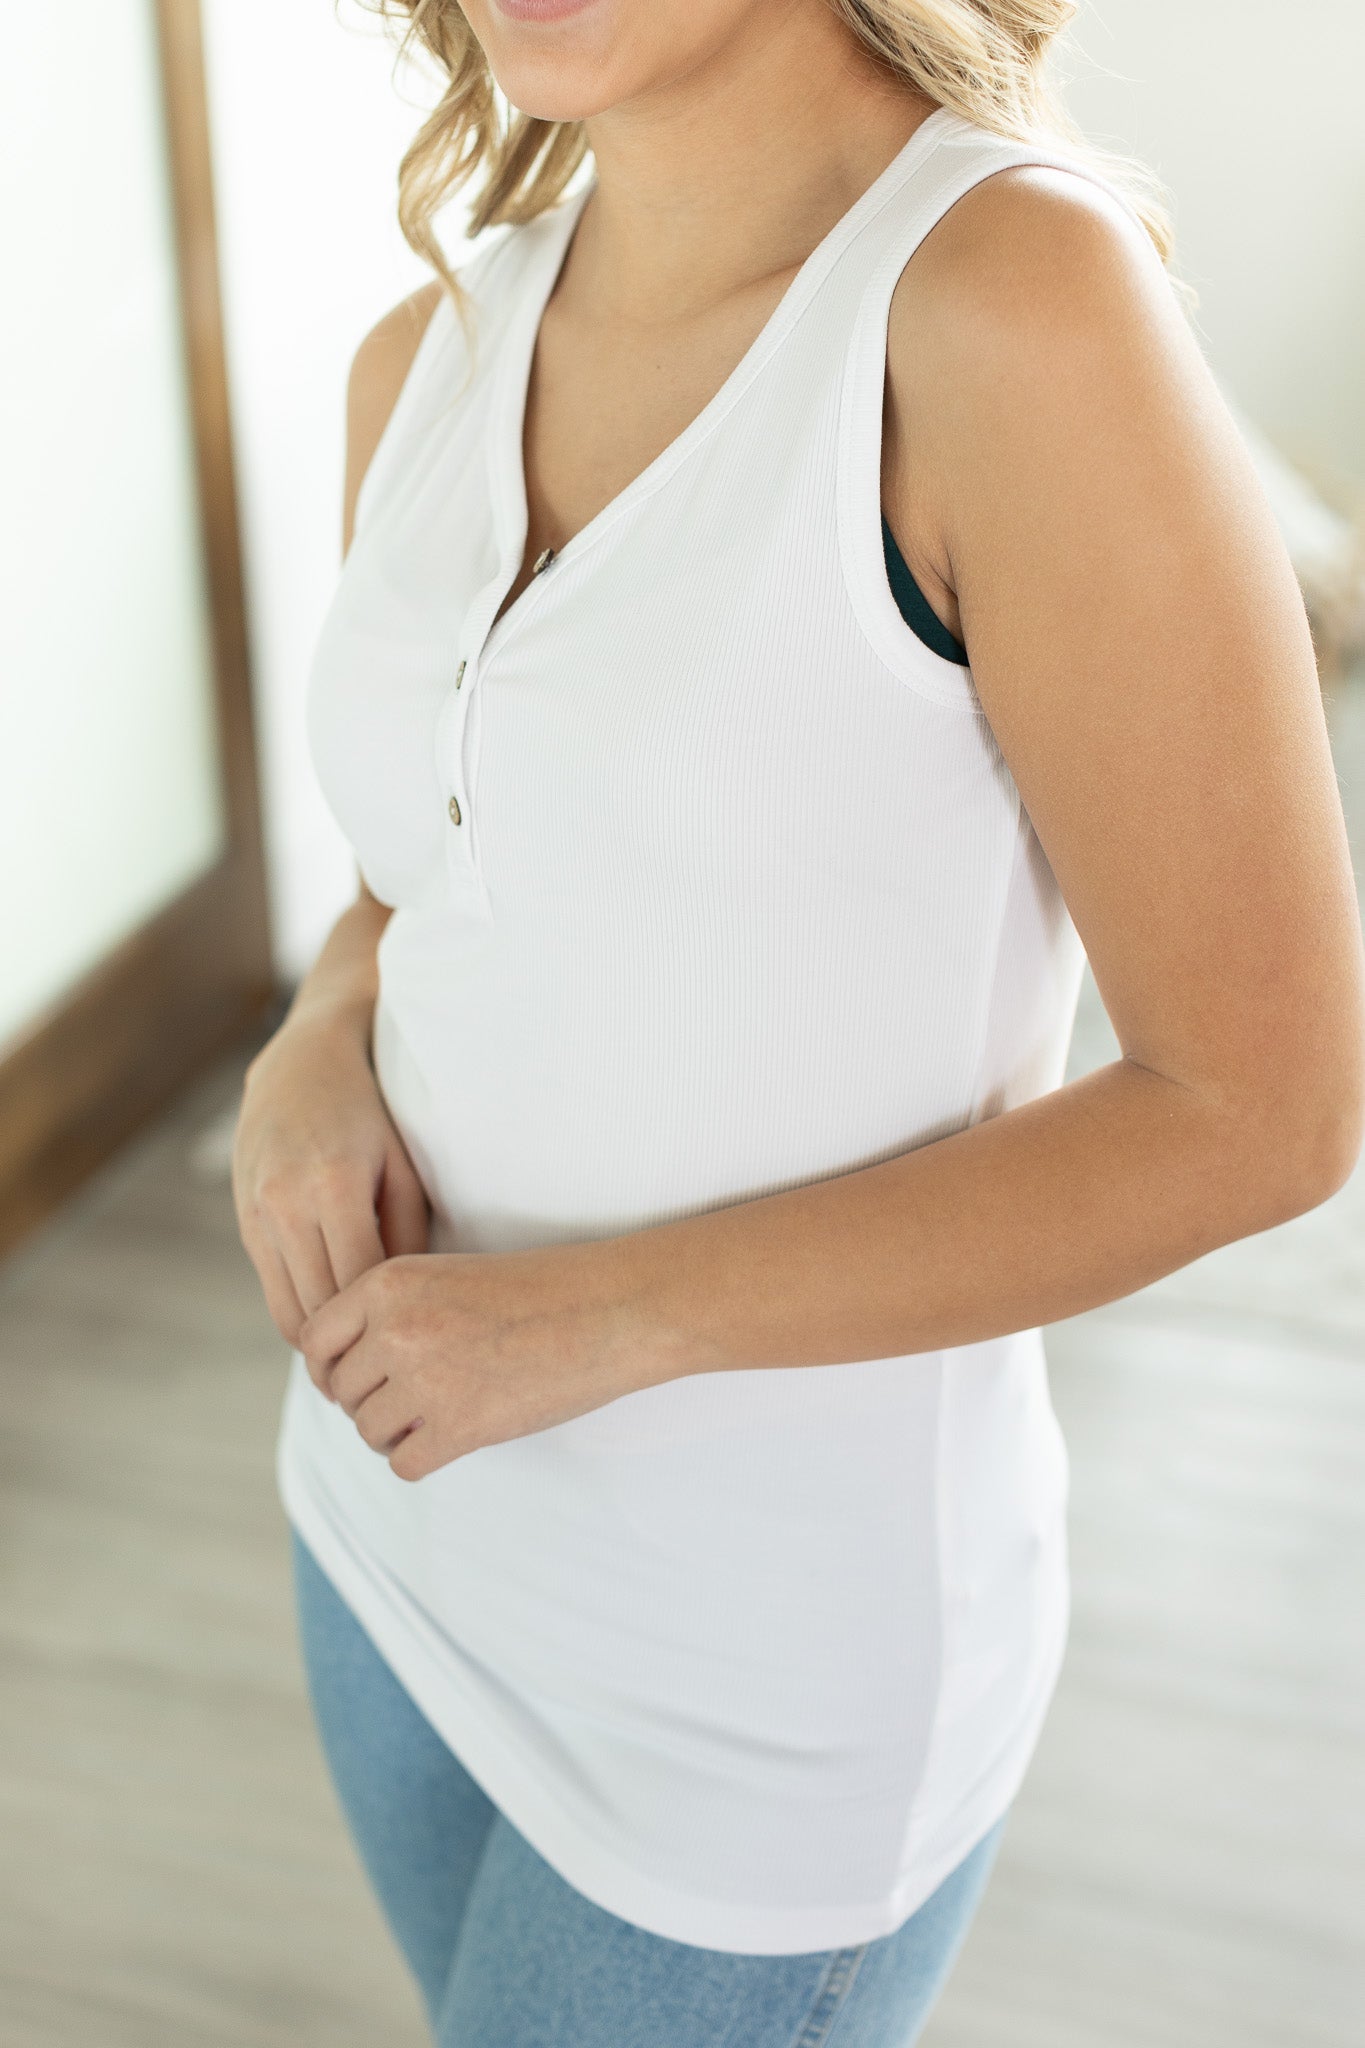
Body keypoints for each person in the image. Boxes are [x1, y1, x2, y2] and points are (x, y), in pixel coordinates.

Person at [231, 2, 1365, 2042]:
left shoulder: (1005, 307)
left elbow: (1255, 1105)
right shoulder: (426, 351)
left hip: (751, 1704)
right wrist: (313, 1039)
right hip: (386, 1553)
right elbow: (434, 874)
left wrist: (597, 1318)